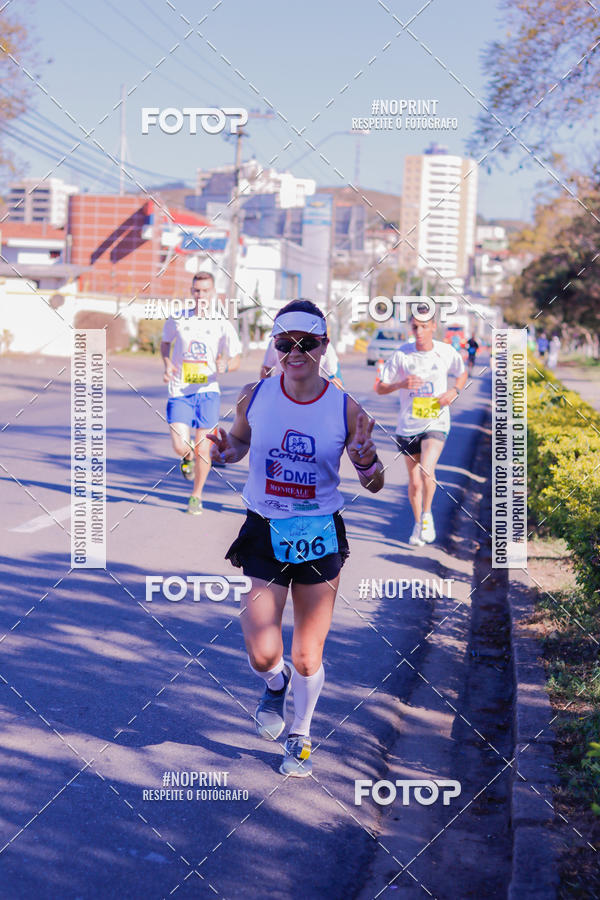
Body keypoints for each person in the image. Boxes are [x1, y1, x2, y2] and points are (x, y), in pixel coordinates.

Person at [207, 298, 384, 777]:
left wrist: (366, 460)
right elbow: (240, 442)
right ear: (275, 345)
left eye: (307, 343)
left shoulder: (346, 409)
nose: (295, 352)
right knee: (263, 650)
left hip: (319, 531)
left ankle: (300, 736)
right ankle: (274, 682)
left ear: (325, 346)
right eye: (285, 343)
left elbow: (374, 481)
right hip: (265, 527)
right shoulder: (255, 395)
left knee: (308, 654)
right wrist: (226, 451)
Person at [375, 304, 467, 546]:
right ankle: (418, 523)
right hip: (407, 425)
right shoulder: (401, 355)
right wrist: (400, 384)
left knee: (427, 468)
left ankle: (427, 515)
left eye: (424, 326)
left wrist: (454, 391)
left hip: (436, 421)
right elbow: (380, 387)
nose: (419, 331)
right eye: (415, 326)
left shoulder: (445, 352)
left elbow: (462, 372)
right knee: (414, 481)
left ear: (433, 327)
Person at [160, 271, 242, 515]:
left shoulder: (221, 324)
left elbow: (236, 358)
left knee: (204, 448)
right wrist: (167, 363)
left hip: (207, 392)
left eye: (206, 291)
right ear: (191, 292)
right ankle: (186, 456)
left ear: (213, 293)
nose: (201, 295)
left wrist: (225, 365)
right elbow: (165, 343)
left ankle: (196, 496)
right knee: (179, 445)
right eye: (197, 290)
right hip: (180, 390)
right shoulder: (178, 319)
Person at [260, 335, 344, 389]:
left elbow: (336, 379)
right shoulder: (274, 341)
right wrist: (266, 392)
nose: (294, 353)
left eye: (307, 344)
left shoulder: (324, 346)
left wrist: (323, 397)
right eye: (284, 345)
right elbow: (266, 369)